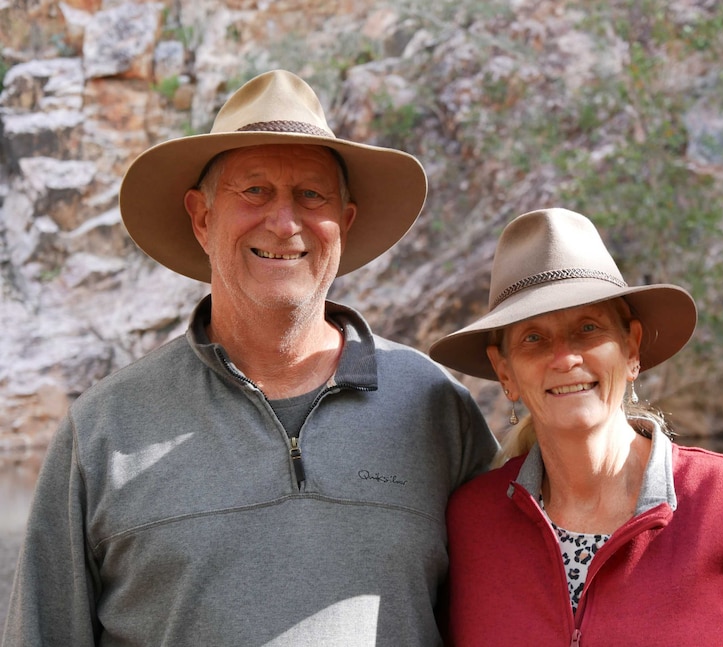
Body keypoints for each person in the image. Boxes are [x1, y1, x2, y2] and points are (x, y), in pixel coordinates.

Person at [2, 70, 498, 647]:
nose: (284, 223)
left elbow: (517, 598)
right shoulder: (102, 432)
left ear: (346, 221)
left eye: (311, 195)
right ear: (203, 218)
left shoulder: (434, 408)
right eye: (254, 191)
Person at [429, 208, 723, 646]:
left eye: (588, 328)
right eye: (533, 338)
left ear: (632, 349)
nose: (566, 358)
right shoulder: (469, 523)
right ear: (505, 372)